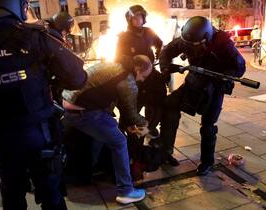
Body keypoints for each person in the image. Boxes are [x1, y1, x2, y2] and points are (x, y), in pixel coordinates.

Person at [0, 0, 87, 209]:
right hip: (40, 134)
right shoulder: (37, 37)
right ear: (17, 5)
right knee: (51, 195)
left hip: (3, 138)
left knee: (12, 195)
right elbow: (78, 79)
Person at [159, 16, 246, 176]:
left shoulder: (223, 43)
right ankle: (166, 151)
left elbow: (239, 67)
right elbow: (167, 50)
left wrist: (226, 75)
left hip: (214, 88)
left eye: (195, 46)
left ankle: (207, 162)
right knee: (169, 105)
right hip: (193, 82)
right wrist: (165, 68)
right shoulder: (188, 38)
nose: (190, 47)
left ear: (206, 38)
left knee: (208, 127)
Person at [62, 55, 152, 204]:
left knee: (108, 132)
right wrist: (147, 127)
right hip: (82, 111)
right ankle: (126, 191)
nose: (143, 80)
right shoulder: (128, 81)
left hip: (69, 103)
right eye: (144, 76)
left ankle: (94, 171)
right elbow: (132, 114)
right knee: (119, 141)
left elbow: (108, 97)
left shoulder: (114, 65)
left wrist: (125, 123)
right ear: (138, 68)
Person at [115, 4, 178, 167]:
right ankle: (132, 155)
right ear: (129, 19)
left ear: (144, 17)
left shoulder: (149, 31)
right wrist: (136, 63)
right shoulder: (124, 37)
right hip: (135, 78)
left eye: (140, 17)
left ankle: (161, 151)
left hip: (151, 76)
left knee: (161, 109)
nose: (138, 20)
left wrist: (159, 55)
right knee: (130, 118)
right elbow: (118, 58)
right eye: (135, 17)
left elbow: (160, 43)